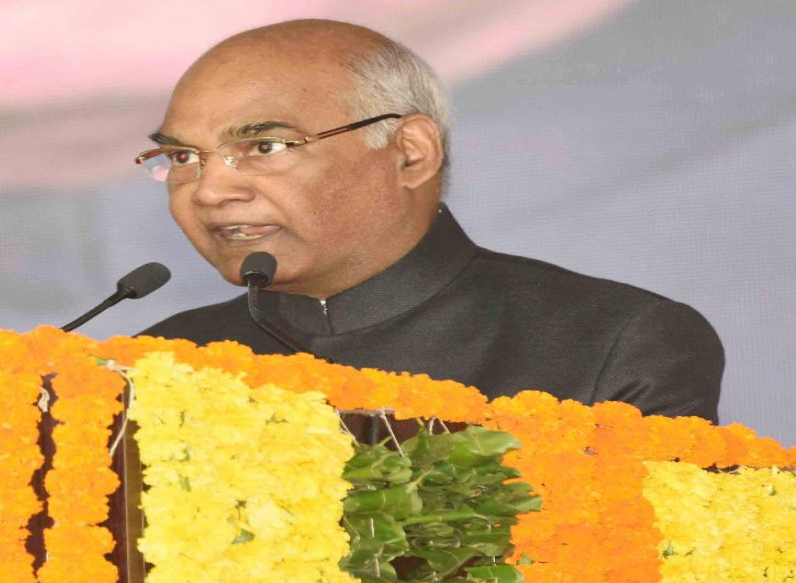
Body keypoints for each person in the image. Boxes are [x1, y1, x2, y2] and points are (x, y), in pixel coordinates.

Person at [139, 19, 724, 421]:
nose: (209, 191)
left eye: (265, 147)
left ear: (410, 153)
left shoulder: (613, 342)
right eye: (183, 157)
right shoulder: (162, 362)